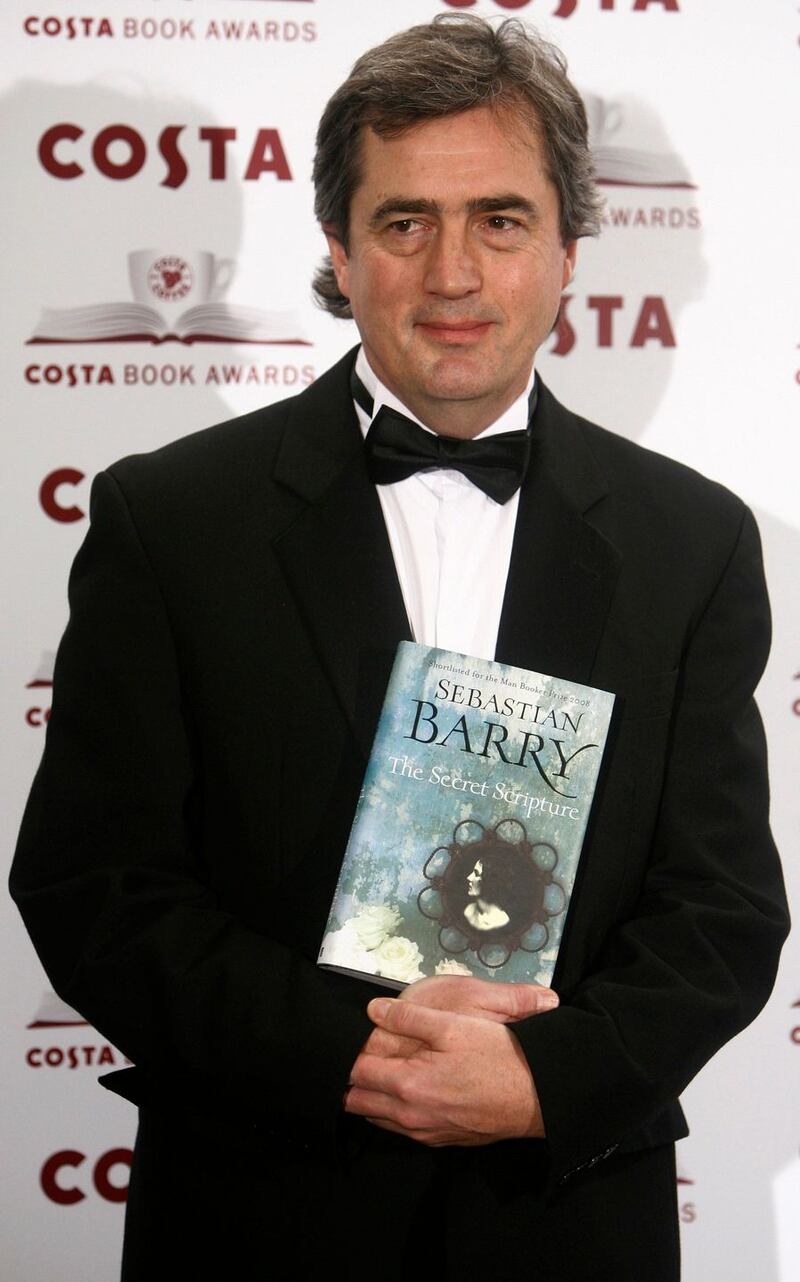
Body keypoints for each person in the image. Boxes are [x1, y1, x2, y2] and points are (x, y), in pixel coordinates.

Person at [10, 15, 788, 1281]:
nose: (452, 276)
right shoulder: (173, 521)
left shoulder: (688, 542)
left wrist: (540, 1078)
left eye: (499, 219)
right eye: (403, 222)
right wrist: (348, 1058)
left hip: (568, 1225)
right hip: (261, 1217)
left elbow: (720, 912)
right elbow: (95, 887)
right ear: (337, 244)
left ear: (567, 247)